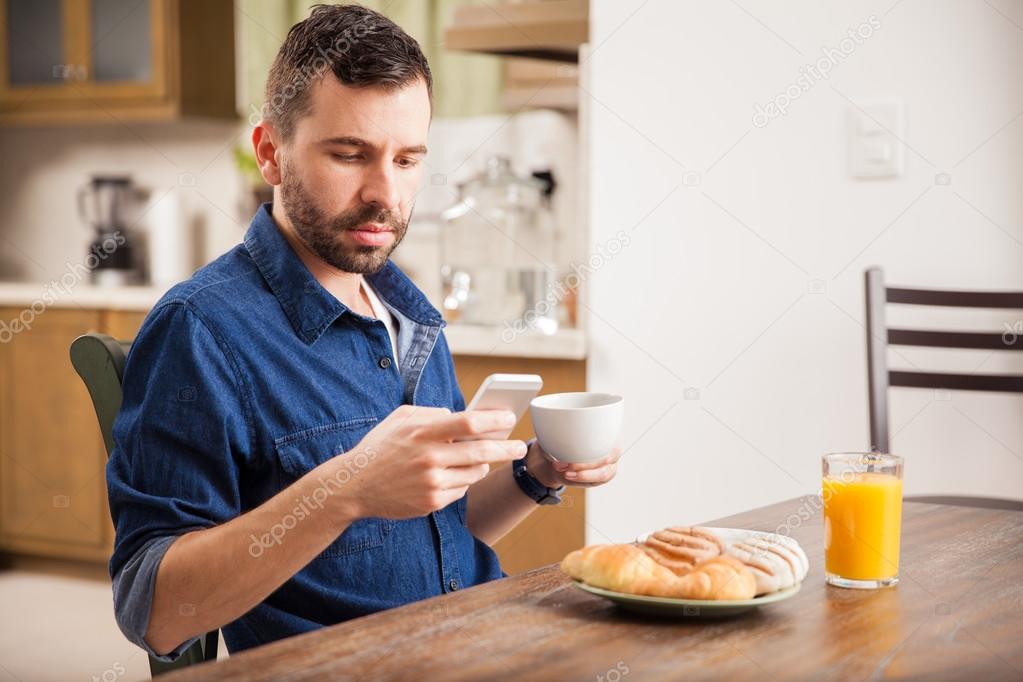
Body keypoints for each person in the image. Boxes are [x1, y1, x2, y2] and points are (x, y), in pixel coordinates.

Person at [107, 3, 622, 660]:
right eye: (350, 154)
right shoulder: (202, 329)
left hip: (482, 646)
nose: (385, 192)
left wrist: (536, 473)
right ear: (270, 152)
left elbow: (438, 535)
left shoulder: (409, 313)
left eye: (408, 159)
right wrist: (344, 490)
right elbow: (153, 611)